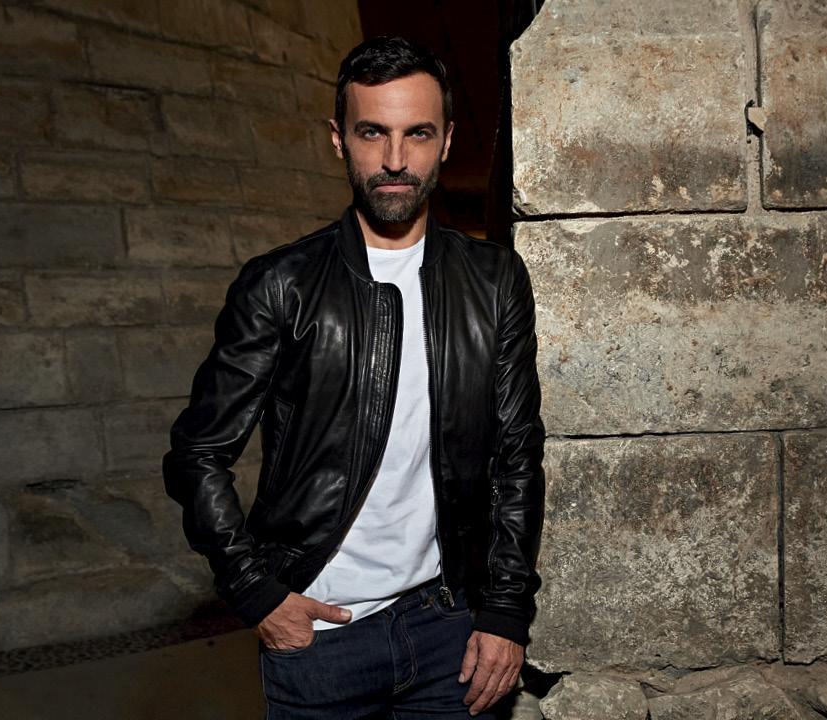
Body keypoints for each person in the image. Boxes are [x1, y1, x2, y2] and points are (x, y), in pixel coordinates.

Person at [163, 35, 546, 719]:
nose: (395, 160)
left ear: (447, 141)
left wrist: (506, 612)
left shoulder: (492, 280)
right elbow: (197, 454)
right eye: (372, 133)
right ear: (339, 139)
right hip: (319, 637)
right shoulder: (280, 285)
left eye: (417, 133)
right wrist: (256, 593)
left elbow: (515, 454)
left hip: (450, 631)